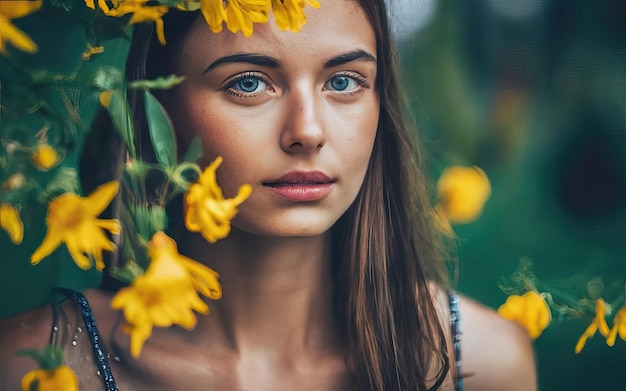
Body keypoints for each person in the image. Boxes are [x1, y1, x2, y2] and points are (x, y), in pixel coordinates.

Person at [0, 0, 537, 389]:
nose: (308, 130)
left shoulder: (483, 363)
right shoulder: (29, 366)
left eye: (344, 81)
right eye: (250, 83)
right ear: (152, 109)